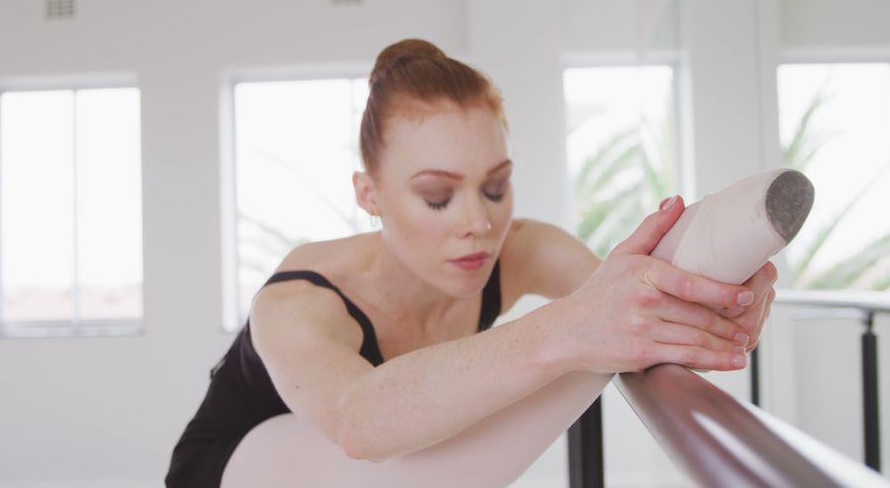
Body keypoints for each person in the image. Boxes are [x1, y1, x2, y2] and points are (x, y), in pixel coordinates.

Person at [165, 38, 778, 487]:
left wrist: (718, 303)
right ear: (368, 195)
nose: (478, 225)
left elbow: (623, 302)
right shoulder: (297, 300)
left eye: (494, 189)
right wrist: (578, 329)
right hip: (236, 468)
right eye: (437, 197)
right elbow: (361, 425)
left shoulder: (519, 249)